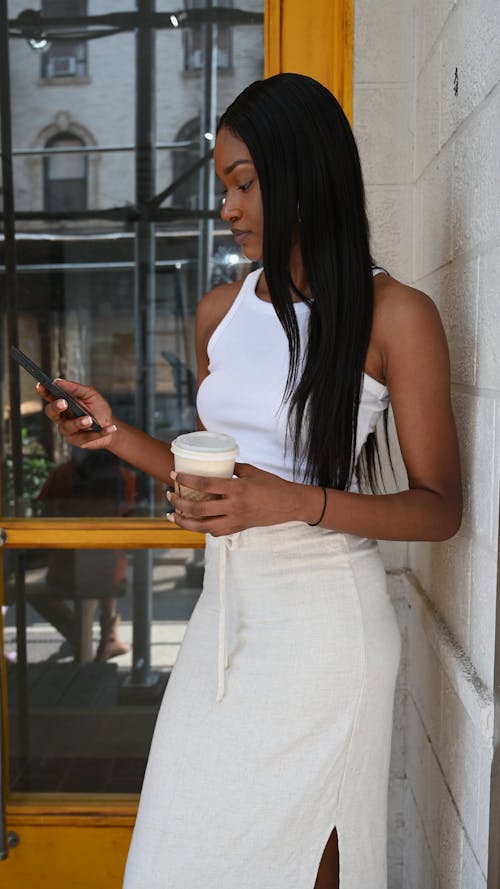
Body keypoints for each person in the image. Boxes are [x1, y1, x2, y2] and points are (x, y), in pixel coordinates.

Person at [38, 74, 462, 889]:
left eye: (243, 183)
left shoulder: (395, 315)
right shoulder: (221, 311)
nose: (227, 208)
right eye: (222, 186)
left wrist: (292, 502)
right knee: (178, 852)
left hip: (325, 633)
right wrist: (115, 432)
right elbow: (216, 472)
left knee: (309, 859)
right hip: (225, 621)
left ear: (305, 174)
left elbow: (441, 507)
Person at [36, 449, 134, 661]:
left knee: (35, 590)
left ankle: (77, 634)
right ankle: (107, 637)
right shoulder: (122, 476)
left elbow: (44, 510)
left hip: (64, 569)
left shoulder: (62, 473)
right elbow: (134, 513)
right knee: (108, 562)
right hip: (109, 571)